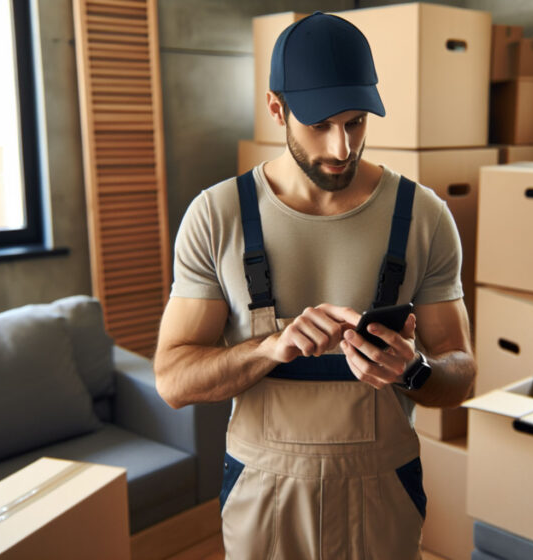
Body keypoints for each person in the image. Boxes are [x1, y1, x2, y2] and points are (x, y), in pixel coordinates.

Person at [154, 11, 475, 559]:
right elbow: (174, 381)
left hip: (384, 486)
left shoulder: (423, 216)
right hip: (262, 489)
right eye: (319, 125)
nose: (341, 148)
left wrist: (414, 370)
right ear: (277, 108)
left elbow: (460, 371)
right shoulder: (217, 216)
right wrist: (269, 349)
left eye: (355, 122)